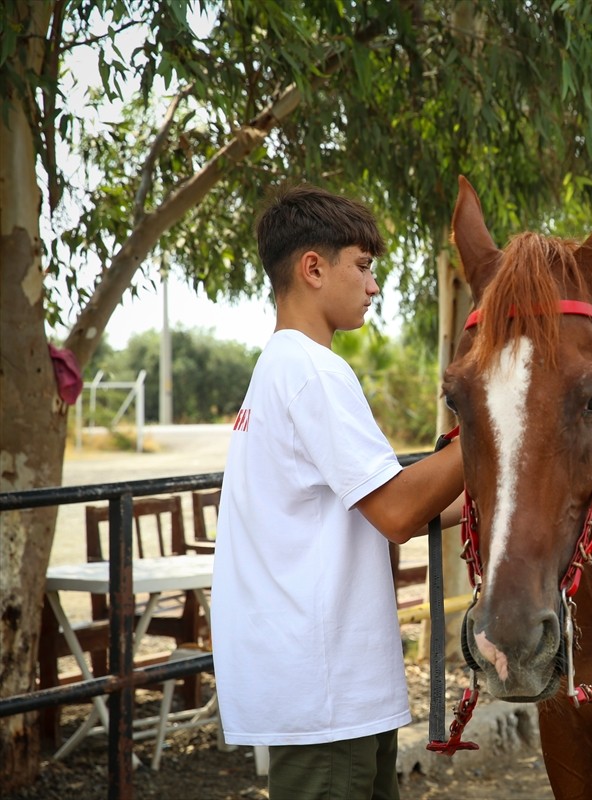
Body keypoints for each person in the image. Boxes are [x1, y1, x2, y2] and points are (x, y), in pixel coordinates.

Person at [211, 184, 464, 800]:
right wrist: (502, 423)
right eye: (363, 266)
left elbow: (382, 504)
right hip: (323, 689)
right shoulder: (313, 371)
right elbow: (400, 511)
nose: (373, 286)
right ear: (314, 268)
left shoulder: (283, 365)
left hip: (324, 682)